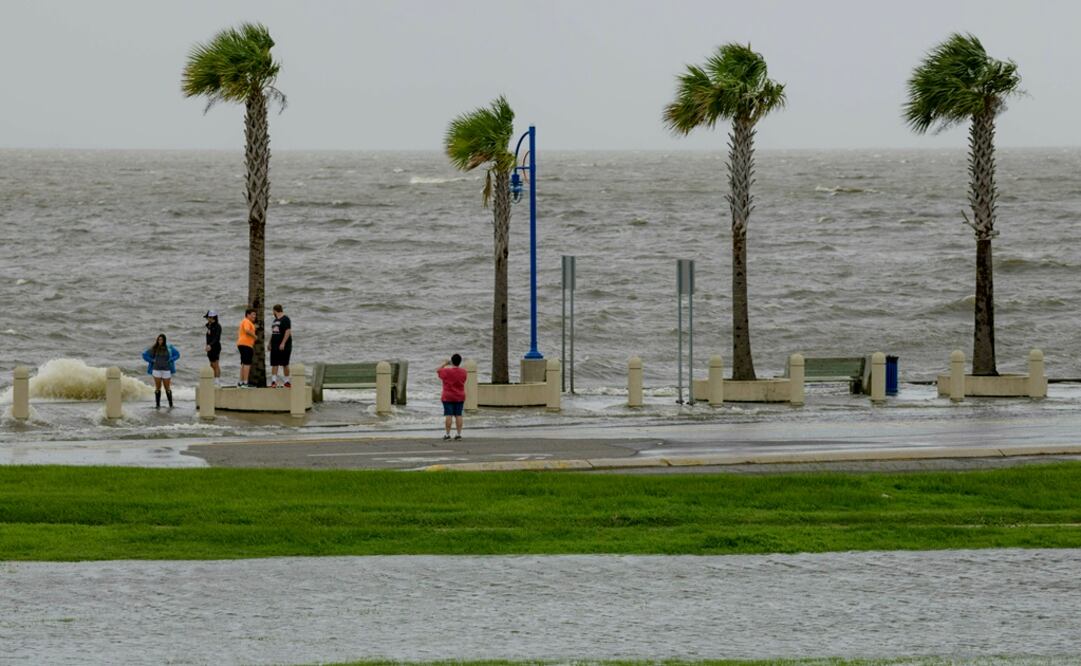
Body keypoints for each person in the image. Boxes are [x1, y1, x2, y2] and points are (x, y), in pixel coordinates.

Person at [141, 333, 180, 408]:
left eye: (161, 339)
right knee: (158, 388)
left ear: (164, 340)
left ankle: (171, 405)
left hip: (166, 370)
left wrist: (171, 360)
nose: (160, 341)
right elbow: (144, 355)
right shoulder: (154, 348)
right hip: (156, 370)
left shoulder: (169, 347)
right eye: (158, 339)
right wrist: (151, 360)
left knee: (167, 388)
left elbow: (177, 354)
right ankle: (157, 405)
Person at [437, 353, 467, 440]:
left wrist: (445, 364)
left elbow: (438, 370)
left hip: (448, 396)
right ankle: (458, 434)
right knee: (458, 415)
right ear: (460, 362)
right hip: (460, 395)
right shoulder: (464, 372)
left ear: (452, 361)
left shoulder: (446, 371)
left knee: (448, 415)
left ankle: (447, 434)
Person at [269, 304, 292, 388]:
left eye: (273, 311)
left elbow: (288, 331)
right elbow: (273, 332)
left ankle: (287, 381)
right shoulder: (275, 320)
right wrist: (269, 343)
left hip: (284, 345)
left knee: (285, 363)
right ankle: (274, 381)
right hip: (274, 345)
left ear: (275, 310)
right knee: (274, 363)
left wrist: (283, 343)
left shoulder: (285, 319)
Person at [236, 307, 257, 387]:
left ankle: (241, 382)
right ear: (248, 315)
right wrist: (255, 336)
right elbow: (247, 330)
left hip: (242, 344)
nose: (255, 316)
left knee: (244, 363)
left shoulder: (247, 321)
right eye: (253, 314)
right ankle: (245, 383)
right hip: (246, 344)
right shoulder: (246, 321)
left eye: (255, 315)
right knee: (247, 364)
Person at [204, 310, 222, 385]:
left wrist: (210, 345)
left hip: (215, 347)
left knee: (215, 364)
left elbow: (216, 338)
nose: (207, 319)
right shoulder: (209, 326)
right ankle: (213, 380)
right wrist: (207, 346)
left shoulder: (217, 326)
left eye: (208, 317)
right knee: (211, 365)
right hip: (209, 348)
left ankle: (217, 381)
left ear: (212, 317)